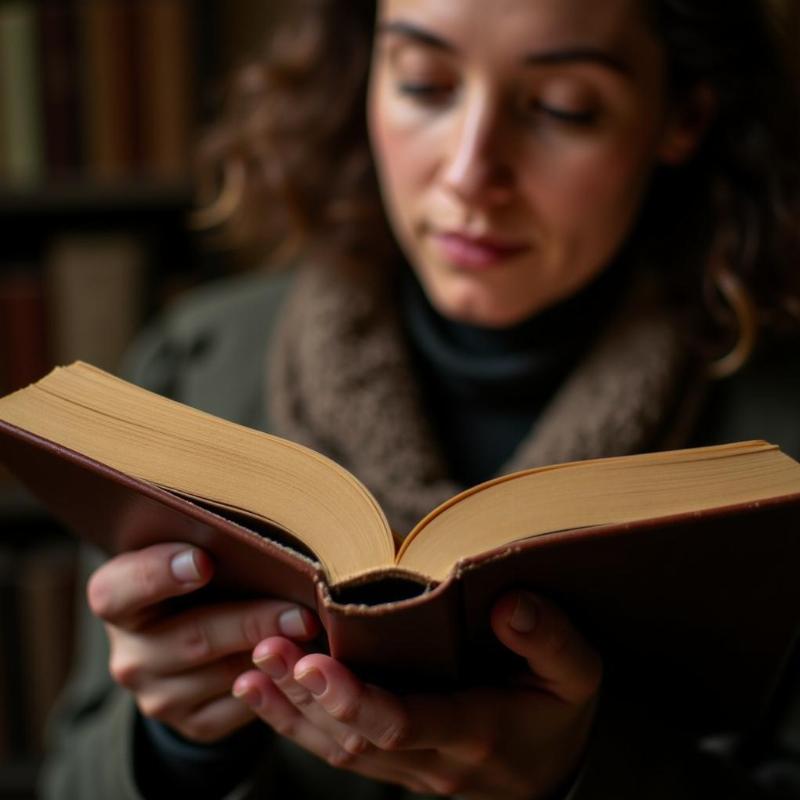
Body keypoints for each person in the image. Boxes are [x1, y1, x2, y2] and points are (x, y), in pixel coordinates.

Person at [41, 0, 800, 798]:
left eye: (562, 108)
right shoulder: (192, 374)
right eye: (425, 85)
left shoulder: (776, 441)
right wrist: (172, 744)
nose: (470, 170)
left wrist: (581, 776)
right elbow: (72, 781)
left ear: (682, 118)